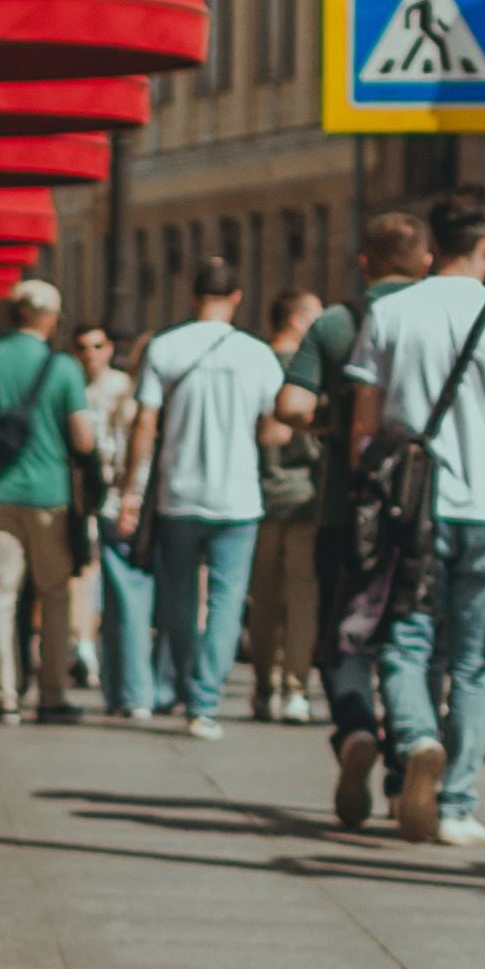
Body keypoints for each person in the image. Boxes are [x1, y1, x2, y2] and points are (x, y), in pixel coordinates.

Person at [346, 187, 485, 847]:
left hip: (410, 508)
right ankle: (457, 803)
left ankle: (413, 738)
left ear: (431, 242)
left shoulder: (390, 312)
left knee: (404, 639)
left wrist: (369, 495)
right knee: (472, 659)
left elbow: (363, 424)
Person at [278, 212, 431, 794]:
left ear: (364, 261)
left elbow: (289, 406)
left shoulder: (338, 323)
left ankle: (355, 728)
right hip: (428, 510)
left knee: (344, 634)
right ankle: (407, 761)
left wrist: (332, 426)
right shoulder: (443, 319)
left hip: (349, 508)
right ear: (426, 262)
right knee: (411, 640)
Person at [117, 260, 286, 740]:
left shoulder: (166, 346)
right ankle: (206, 700)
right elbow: (274, 429)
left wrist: (132, 492)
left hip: (179, 493)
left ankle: (187, 685)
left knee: (178, 599)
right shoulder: (257, 354)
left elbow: (144, 425)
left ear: (193, 297)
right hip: (238, 498)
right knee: (228, 600)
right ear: (236, 298)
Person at [0, 279, 96, 724]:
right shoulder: (64, 367)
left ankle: (5, 696)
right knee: (54, 594)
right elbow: (84, 439)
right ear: (51, 318)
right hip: (49, 497)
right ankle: (52, 695)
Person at [248, 283, 324, 723]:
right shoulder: (307, 369)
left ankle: (260, 686)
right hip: (303, 497)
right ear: (297, 321)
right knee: (301, 595)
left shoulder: (253, 363)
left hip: (256, 497)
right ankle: (295, 687)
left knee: (262, 598)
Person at [74, 321, 155, 718]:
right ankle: (133, 690)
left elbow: (122, 457)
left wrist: (126, 499)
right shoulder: (134, 401)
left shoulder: (130, 399)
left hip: (125, 507)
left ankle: (128, 689)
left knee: (126, 601)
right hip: (135, 508)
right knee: (132, 601)